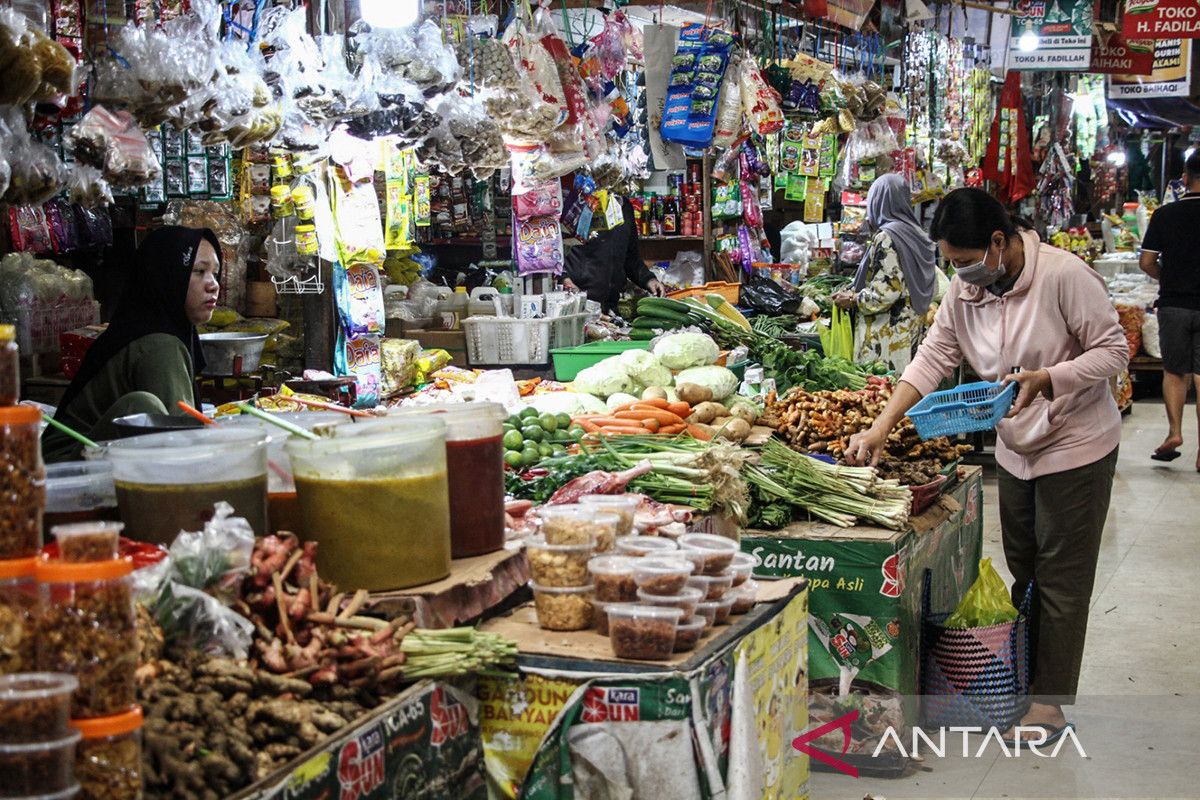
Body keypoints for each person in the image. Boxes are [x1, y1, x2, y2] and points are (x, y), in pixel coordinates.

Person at [845, 188, 1128, 744]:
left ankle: (1048, 705)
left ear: (998, 242)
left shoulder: (1063, 276)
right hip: (1016, 447)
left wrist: (1050, 378)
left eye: (964, 260)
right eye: (951, 263)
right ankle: (1026, 680)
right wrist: (882, 425)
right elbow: (933, 357)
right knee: (1027, 571)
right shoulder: (967, 290)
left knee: (1062, 579)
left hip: (1076, 443)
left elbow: (1113, 351)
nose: (960, 273)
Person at [41, 226, 222, 463]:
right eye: (199, 271)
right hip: (64, 471)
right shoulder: (159, 344)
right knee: (142, 406)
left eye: (215, 273)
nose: (213, 284)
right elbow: (183, 448)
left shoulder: (148, 328)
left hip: (80, 462)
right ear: (167, 275)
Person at [831, 173, 939, 373]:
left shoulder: (887, 237)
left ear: (878, 201)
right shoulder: (918, 235)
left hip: (887, 336)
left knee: (884, 387)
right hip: (911, 329)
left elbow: (886, 292)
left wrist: (853, 299)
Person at [1138, 150, 1200, 469]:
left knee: (1174, 371)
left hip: (1173, 304)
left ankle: (1175, 432)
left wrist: (1170, 276)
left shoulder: (1164, 215)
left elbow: (1147, 262)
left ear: (1185, 179)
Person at [563, 197, 665, 313]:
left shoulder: (625, 207)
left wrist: (648, 279)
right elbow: (554, 251)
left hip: (609, 305)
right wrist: (564, 278)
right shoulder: (580, 200)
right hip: (578, 304)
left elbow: (631, 257)